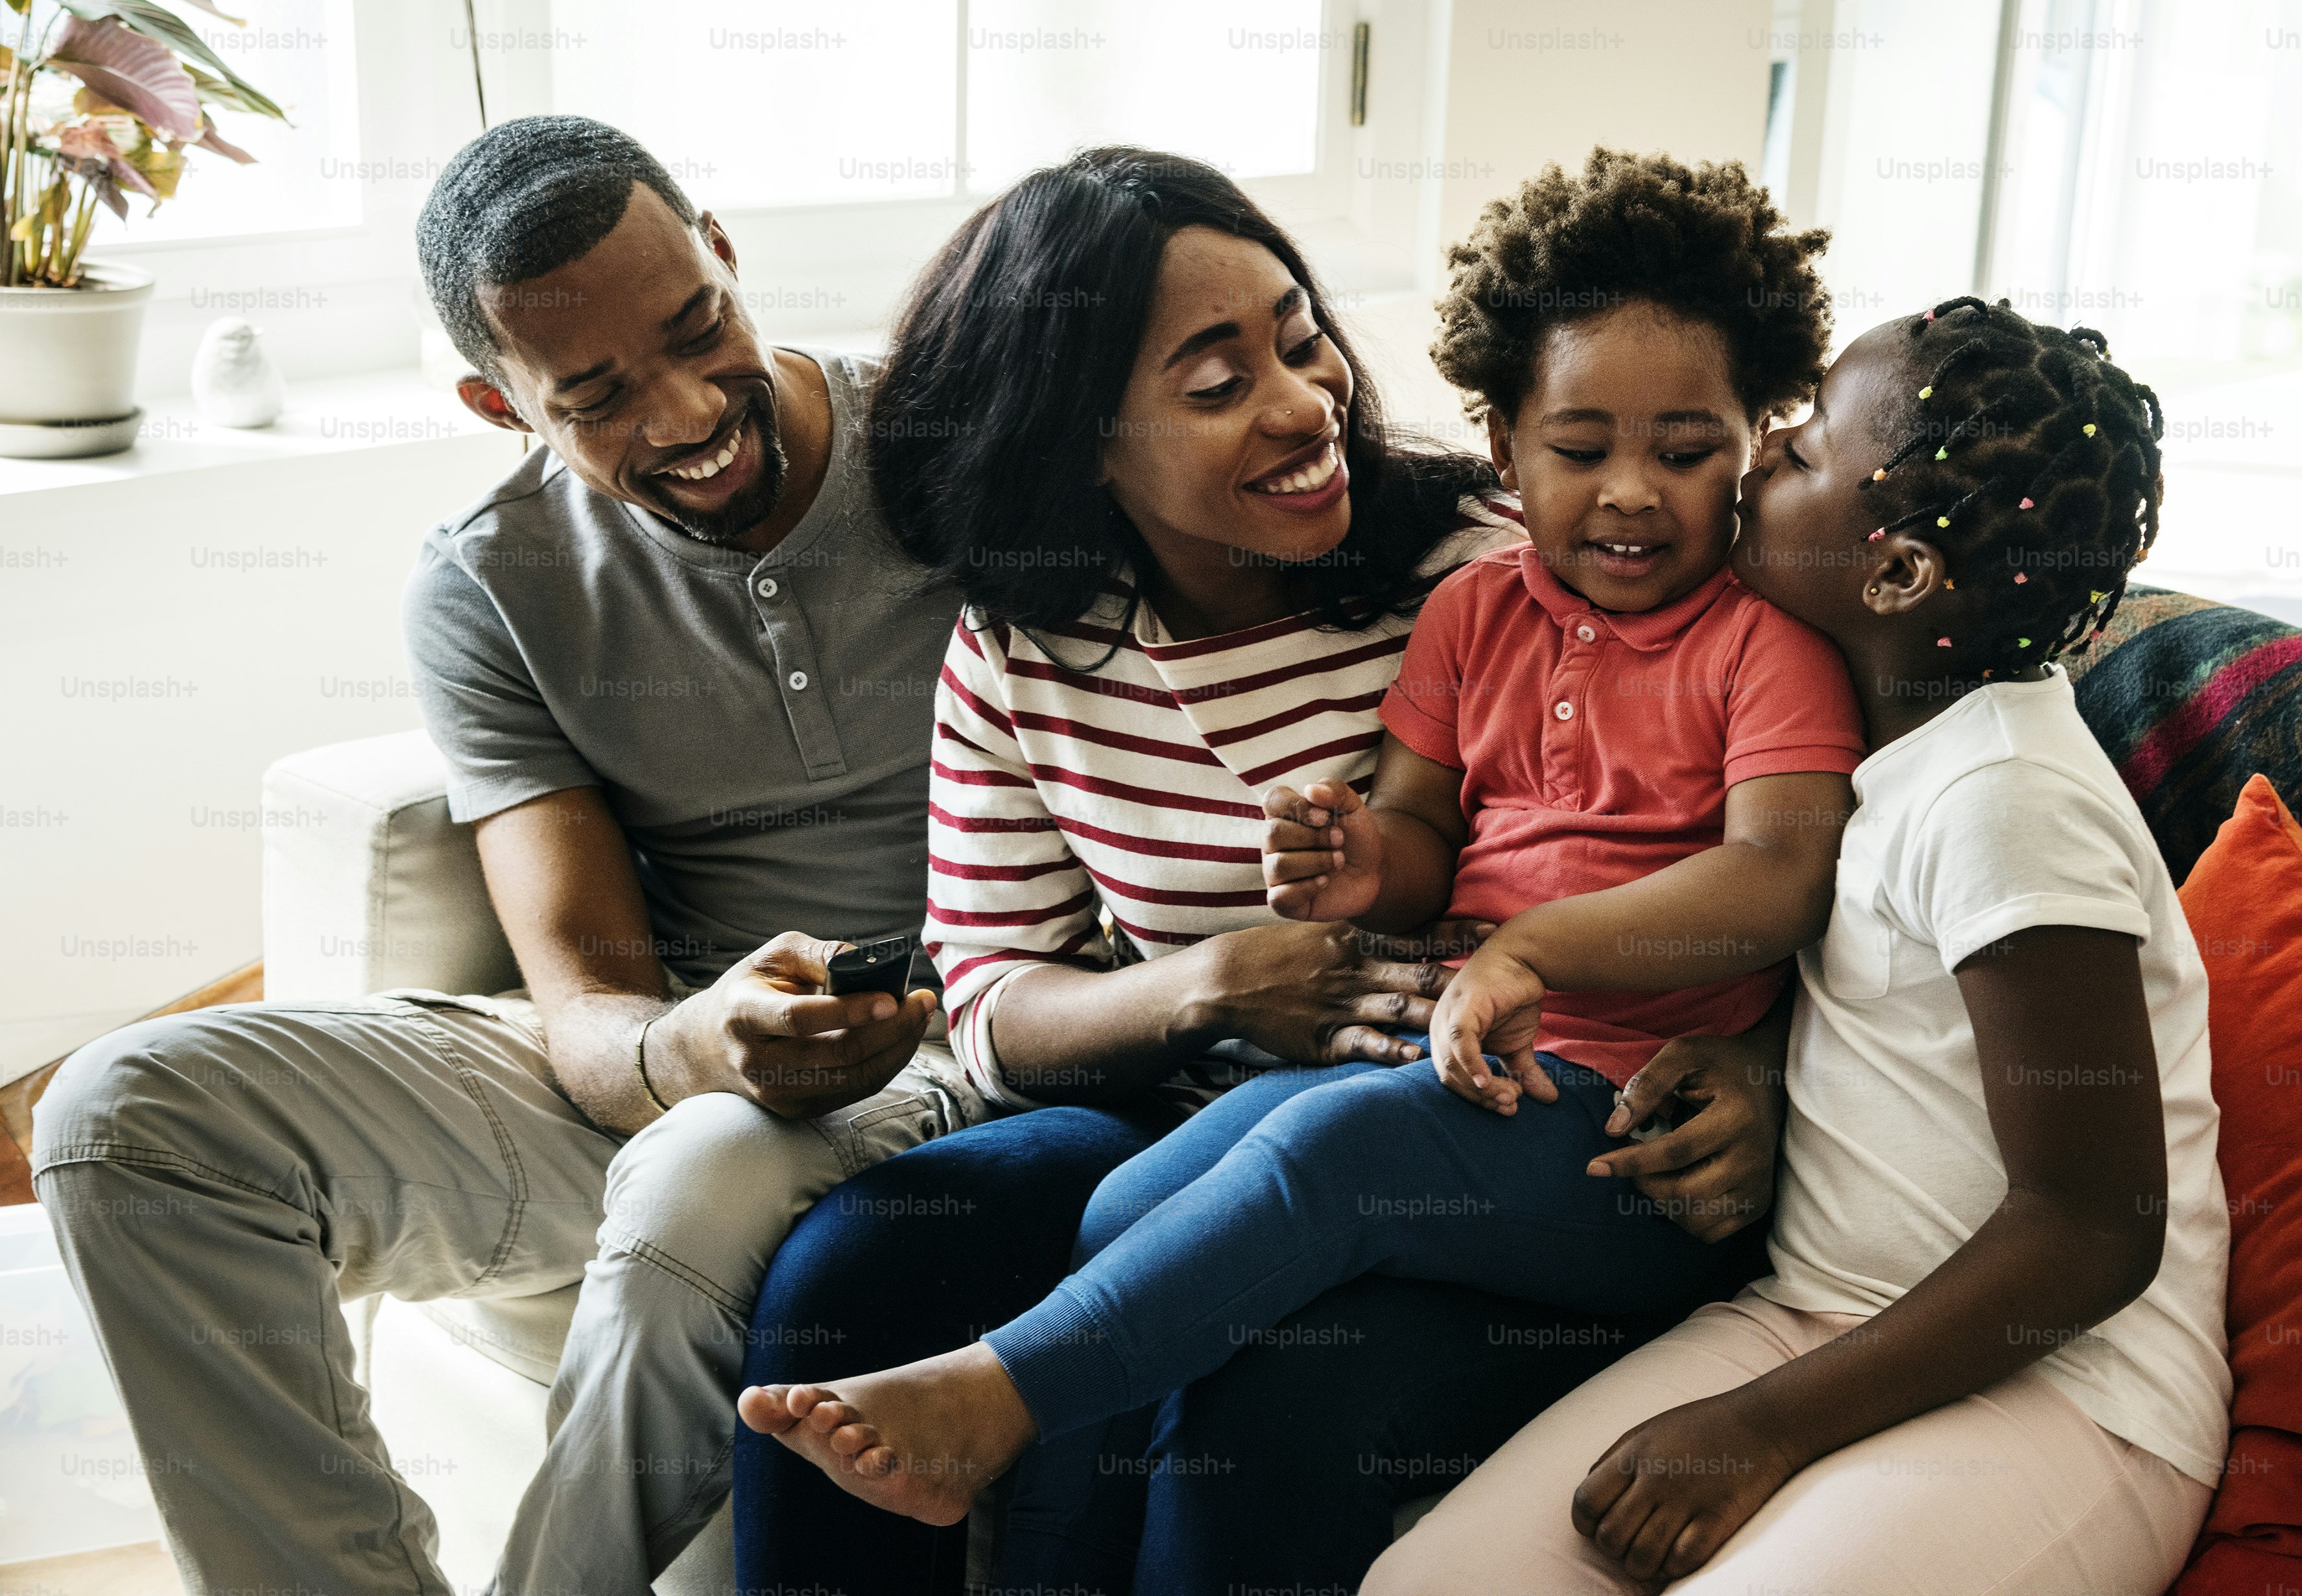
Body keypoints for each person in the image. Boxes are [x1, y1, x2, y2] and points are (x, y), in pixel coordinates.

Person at [733, 148, 1845, 1595]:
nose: (1304, 402)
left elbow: (1796, 877)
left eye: (1300, 336)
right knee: (991, 1247)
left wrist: (1753, 1058)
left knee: (1282, 1306)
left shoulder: (1504, 557)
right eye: (1214, 384)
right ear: (1081, 441)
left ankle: (993, 1400)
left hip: (1534, 1102)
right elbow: (994, 987)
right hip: (1268, 1090)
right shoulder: (1041, 645)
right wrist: (1224, 969)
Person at [32, 115, 975, 1596]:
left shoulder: (953, 455)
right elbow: (588, 1018)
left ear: (725, 255)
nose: (683, 415)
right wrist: (691, 1042)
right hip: (668, 1059)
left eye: (697, 329)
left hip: (966, 1044)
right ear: (497, 401)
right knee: (123, 1117)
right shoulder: (492, 581)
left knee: (704, 1169)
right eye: (595, 393)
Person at [1365, 298, 2233, 1594]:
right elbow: (1901, 1023)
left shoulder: (2005, 799)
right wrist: (1759, 1057)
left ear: (1890, 575)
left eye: (1807, 443)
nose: (1762, 450)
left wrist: (1757, 1429)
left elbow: (2092, 1228)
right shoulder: (1866, 753)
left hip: (2071, 1389)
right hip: (1814, 1318)